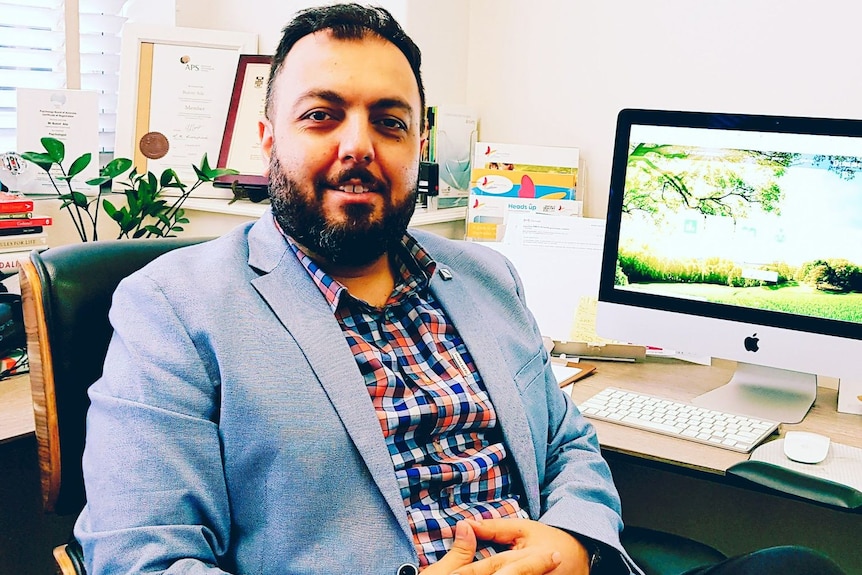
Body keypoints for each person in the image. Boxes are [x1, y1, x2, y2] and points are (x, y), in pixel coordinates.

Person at [74, 4, 847, 575]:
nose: (357, 147)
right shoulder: (173, 307)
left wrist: (573, 540)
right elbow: (142, 559)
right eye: (322, 115)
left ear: (419, 142)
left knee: (798, 566)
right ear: (267, 137)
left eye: (389, 121)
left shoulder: (484, 275)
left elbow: (567, 442)